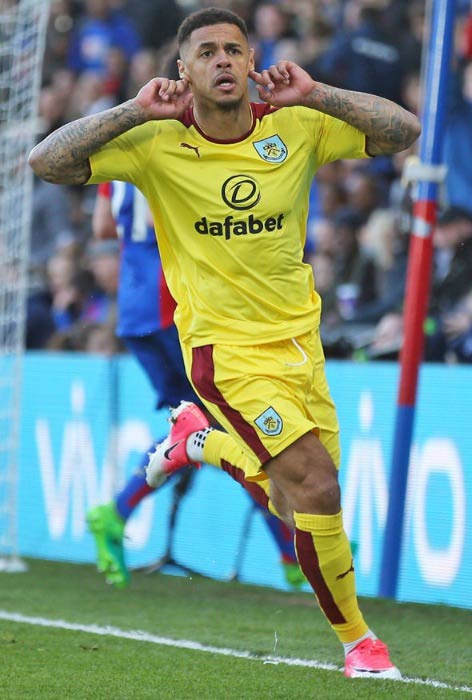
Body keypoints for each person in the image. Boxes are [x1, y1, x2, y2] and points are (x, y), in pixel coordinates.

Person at [29, 6, 421, 679]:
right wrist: (131, 109)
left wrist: (318, 92)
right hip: (224, 353)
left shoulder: (294, 124)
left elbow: (404, 133)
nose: (222, 61)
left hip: (302, 343)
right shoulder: (155, 142)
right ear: (183, 70)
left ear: (250, 61)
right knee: (318, 488)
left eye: (233, 50)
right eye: (205, 51)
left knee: (291, 501)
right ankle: (361, 644)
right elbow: (47, 162)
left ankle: (196, 440)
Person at [87, 180, 304, 589]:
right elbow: (166, 217)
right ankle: (290, 547)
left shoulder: (114, 160)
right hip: (172, 302)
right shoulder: (168, 151)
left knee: (199, 426)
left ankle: (288, 548)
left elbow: (103, 228)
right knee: (228, 428)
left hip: (134, 311)